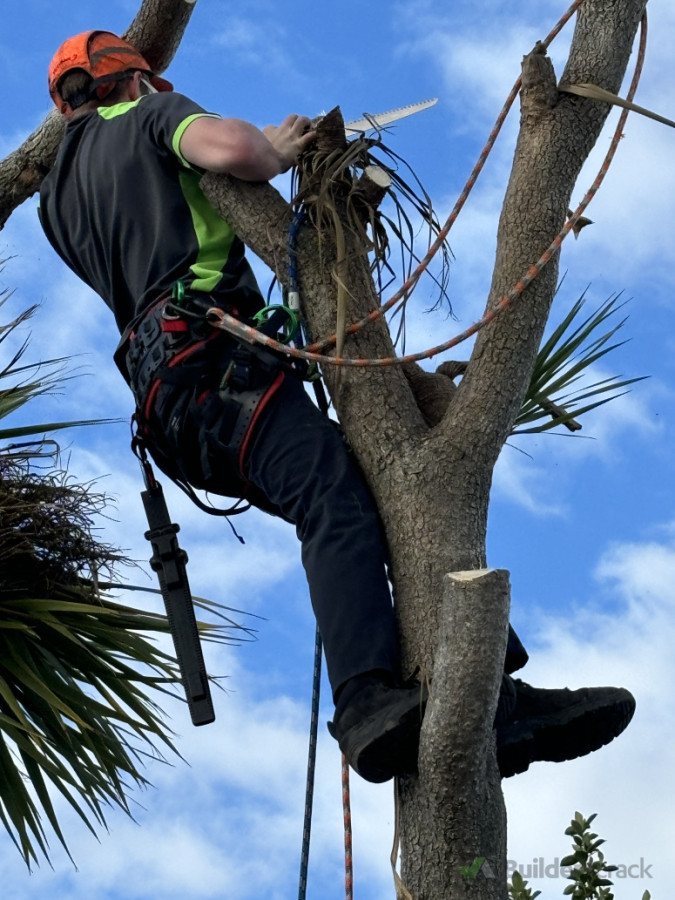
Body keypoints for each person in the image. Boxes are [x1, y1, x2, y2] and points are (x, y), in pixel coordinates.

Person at [39, 30, 635, 783]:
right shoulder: (152, 115)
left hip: (174, 414)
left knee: (374, 490)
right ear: (132, 81)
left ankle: (493, 699)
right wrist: (277, 146)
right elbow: (233, 152)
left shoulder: (56, 202)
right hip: (215, 368)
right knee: (334, 496)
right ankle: (363, 705)